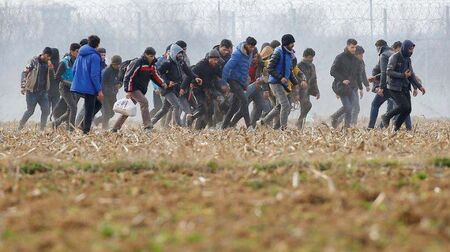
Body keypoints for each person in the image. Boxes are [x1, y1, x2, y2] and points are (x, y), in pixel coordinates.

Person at [112, 47, 167, 132]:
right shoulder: (138, 63)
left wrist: (162, 83)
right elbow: (129, 76)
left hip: (141, 90)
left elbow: (155, 75)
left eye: (153, 56)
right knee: (144, 102)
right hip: (133, 88)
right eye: (150, 56)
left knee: (127, 109)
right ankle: (147, 126)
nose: (152, 58)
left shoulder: (152, 65)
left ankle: (115, 128)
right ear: (145, 55)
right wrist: (128, 91)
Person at [259, 34, 303, 130]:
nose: (293, 45)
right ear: (286, 43)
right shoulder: (277, 52)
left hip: (282, 83)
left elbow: (289, 72)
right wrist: (280, 77)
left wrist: (295, 84)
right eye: (292, 43)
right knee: (285, 105)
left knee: (279, 106)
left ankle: (263, 121)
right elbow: (270, 68)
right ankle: (284, 128)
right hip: (275, 83)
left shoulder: (289, 54)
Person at [151, 43, 200, 127]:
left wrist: (195, 78)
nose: (181, 55)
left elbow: (188, 71)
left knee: (165, 109)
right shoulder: (167, 63)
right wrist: (167, 82)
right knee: (176, 105)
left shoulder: (181, 63)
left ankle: (150, 123)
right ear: (174, 53)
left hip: (174, 89)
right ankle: (179, 126)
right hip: (166, 89)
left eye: (181, 53)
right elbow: (158, 73)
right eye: (179, 53)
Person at [381, 40, 426, 131]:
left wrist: (419, 86)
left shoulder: (408, 59)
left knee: (408, 109)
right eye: (410, 50)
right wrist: (402, 75)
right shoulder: (394, 57)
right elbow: (388, 72)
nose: (411, 52)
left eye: (412, 50)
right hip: (394, 87)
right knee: (404, 106)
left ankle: (395, 128)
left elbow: (411, 74)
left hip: (405, 86)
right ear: (405, 48)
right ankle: (386, 116)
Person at [221, 36, 257, 129]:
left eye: (253, 47)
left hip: (241, 82)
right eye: (251, 46)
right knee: (244, 100)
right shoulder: (237, 54)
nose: (252, 49)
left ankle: (223, 127)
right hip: (233, 80)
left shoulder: (250, 54)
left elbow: (246, 70)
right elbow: (227, 67)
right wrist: (224, 83)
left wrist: (245, 85)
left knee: (234, 107)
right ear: (246, 45)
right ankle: (249, 126)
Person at [71, 35, 104, 134]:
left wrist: (79, 80)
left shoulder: (80, 54)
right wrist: (99, 90)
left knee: (96, 104)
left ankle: (83, 125)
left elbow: (74, 70)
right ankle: (86, 131)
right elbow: (94, 75)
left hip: (80, 85)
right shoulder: (95, 56)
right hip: (90, 86)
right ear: (97, 45)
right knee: (90, 108)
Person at [182, 50, 222, 129]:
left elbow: (222, 76)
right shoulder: (201, 65)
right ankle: (190, 118)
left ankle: (199, 128)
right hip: (197, 89)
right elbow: (190, 75)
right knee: (202, 107)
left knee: (210, 110)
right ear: (209, 58)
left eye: (217, 60)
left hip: (207, 89)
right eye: (214, 60)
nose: (216, 61)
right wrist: (182, 88)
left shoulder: (216, 66)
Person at [19, 47, 54, 131]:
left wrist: (51, 68)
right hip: (32, 92)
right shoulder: (33, 61)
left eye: (50, 57)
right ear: (44, 54)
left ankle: (42, 129)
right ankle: (20, 127)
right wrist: (23, 86)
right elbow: (24, 73)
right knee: (30, 111)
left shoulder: (48, 63)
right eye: (48, 56)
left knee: (46, 111)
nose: (49, 59)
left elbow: (53, 76)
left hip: (43, 92)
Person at [330, 39, 362, 129]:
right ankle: (335, 117)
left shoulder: (356, 60)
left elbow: (357, 75)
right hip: (341, 87)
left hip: (351, 87)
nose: (354, 49)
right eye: (352, 47)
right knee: (348, 107)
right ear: (347, 46)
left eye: (355, 47)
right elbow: (332, 71)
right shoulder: (340, 57)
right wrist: (342, 79)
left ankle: (346, 128)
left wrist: (361, 87)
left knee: (351, 108)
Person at [52, 43, 81, 130]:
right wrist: (66, 82)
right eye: (77, 51)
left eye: (79, 51)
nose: (78, 53)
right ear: (71, 51)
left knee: (70, 110)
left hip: (74, 87)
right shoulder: (64, 62)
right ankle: (71, 129)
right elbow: (56, 76)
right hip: (64, 88)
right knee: (73, 107)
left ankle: (55, 123)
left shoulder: (77, 61)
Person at [94, 55, 122, 129]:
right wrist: (102, 93)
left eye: (119, 64)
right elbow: (102, 84)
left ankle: (97, 121)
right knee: (106, 112)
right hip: (104, 95)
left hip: (112, 95)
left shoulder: (119, 71)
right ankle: (105, 128)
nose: (118, 66)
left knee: (112, 112)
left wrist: (120, 84)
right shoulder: (106, 71)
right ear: (112, 64)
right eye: (116, 64)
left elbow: (120, 80)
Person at [297, 48, 320, 129]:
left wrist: (317, 91)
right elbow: (295, 77)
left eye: (312, 57)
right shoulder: (299, 65)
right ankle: (299, 122)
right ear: (305, 56)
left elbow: (314, 79)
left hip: (308, 90)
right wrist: (301, 82)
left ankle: (300, 126)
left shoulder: (312, 66)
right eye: (310, 57)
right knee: (307, 105)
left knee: (305, 107)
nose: (311, 59)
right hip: (300, 90)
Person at [48, 48, 61, 115]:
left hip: (47, 89)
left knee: (46, 108)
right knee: (55, 109)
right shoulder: (59, 65)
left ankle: (44, 122)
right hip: (57, 90)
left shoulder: (47, 65)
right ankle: (55, 122)